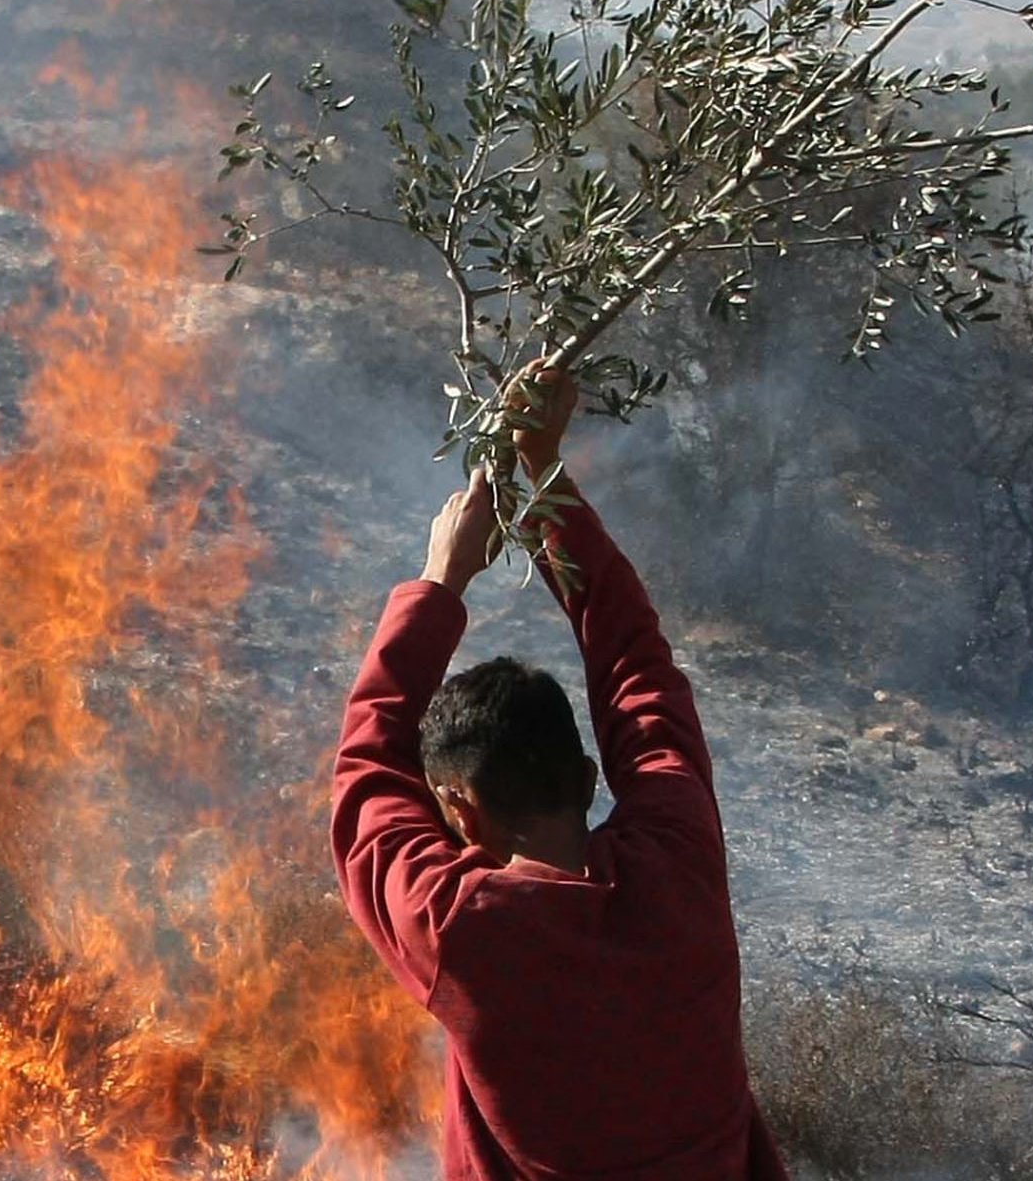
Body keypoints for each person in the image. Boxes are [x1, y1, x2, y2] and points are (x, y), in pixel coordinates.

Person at [331, 362, 788, 1179]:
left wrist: (442, 579)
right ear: (587, 779)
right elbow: (637, 671)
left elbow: (365, 770)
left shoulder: (462, 927)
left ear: (459, 812)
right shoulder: (679, 863)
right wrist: (544, 480)